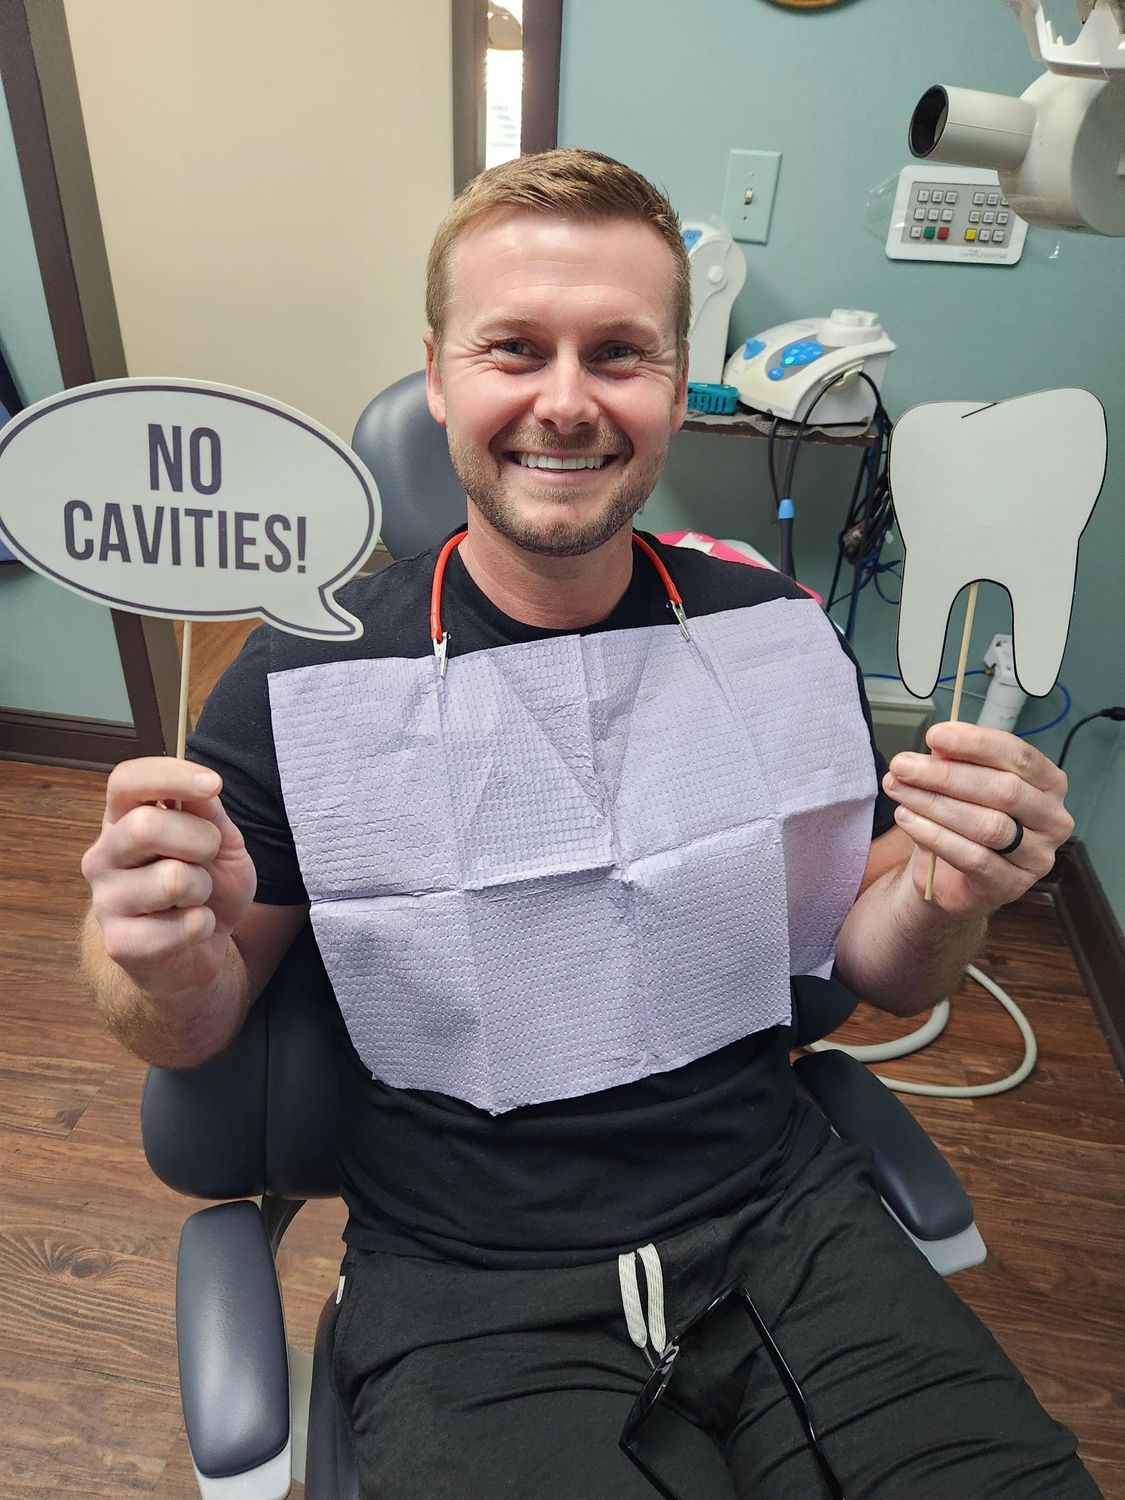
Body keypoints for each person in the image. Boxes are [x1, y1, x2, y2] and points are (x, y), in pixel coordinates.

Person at [79, 149, 1094, 1498]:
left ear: (676, 385)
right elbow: (185, 1032)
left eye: (618, 354)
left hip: (784, 1223)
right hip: (461, 1287)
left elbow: (868, 965)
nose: (564, 402)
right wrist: (156, 960)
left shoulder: (774, 640)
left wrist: (951, 891)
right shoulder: (303, 683)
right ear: (438, 373)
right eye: (514, 349)